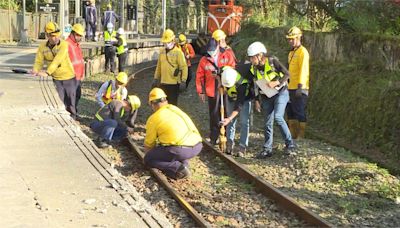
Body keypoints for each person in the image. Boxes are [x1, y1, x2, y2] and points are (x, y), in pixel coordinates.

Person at [247, 41, 296, 158]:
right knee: (267, 123)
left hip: (281, 93)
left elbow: (287, 74)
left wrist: (277, 82)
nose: (251, 60)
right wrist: (257, 100)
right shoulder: (254, 69)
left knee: (278, 117)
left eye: (252, 58)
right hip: (267, 96)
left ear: (259, 55)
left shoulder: (272, 61)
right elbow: (255, 85)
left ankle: (290, 145)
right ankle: (267, 149)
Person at [143, 88, 203, 180]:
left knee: (149, 159)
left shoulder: (154, 118)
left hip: (180, 150)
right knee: (172, 151)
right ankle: (184, 164)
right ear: (165, 100)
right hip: (197, 146)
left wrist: (148, 156)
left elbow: (148, 144)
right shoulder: (175, 108)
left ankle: (178, 168)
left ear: (152, 104)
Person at [32, 22, 77, 119]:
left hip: (69, 77)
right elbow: (38, 61)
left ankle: (73, 118)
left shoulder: (64, 45)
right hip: (56, 78)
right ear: (47, 35)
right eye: (52, 36)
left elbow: (57, 60)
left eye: (57, 35)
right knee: (59, 100)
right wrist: (35, 70)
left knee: (71, 101)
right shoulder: (42, 47)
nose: (55, 38)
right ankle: (63, 118)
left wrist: (47, 72)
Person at [196, 38, 236, 145]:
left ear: (218, 47)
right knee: (214, 114)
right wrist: (201, 91)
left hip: (226, 88)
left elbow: (233, 68)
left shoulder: (226, 55)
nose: (211, 52)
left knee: (227, 111)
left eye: (213, 50)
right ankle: (214, 136)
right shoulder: (204, 60)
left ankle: (228, 136)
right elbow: (199, 76)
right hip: (211, 89)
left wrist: (221, 73)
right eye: (209, 50)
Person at [220, 67, 253, 157]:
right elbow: (218, 74)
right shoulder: (224, 71)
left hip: (244, 100)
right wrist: (220, 84)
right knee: (230, 123)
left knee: (244, 122)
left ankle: (242, 147)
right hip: (231, 97)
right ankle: (229, 144)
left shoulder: (242, 84)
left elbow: (239, 106)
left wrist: (230, 118)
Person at [286, 26, 310, 140]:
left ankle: (301, 135)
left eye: (292, 39)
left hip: (299, 88)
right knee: (290, 111)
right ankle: (292, 134)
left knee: (300, 111)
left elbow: (303, 70)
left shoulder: (302, 52)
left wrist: (300, 87)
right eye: (289, 39)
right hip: (290, 87)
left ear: (299, 37)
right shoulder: (291, 53)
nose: (290, 41)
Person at [152, 29, 188, 106]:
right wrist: (155, 78)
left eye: (168, 42)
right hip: (163, 83)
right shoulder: (162, 51)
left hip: (174, 84)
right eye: (165, 43)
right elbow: (159, 66)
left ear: (173, 40)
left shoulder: (178, 52)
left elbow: (184, 67)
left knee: (172, 105)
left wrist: (183, 80)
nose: (166, 44)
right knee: (162, 105)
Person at [66, 23, 85, 114]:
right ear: (72, 33)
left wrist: (82, 74)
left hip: (77, 77)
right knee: (71, 98)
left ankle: (73, 113)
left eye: (80, 35)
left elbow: (80, 60)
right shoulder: (67, 44)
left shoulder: (76, 45)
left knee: (77, 95)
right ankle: (71, 115)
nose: (79, 37)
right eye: (78, 35)